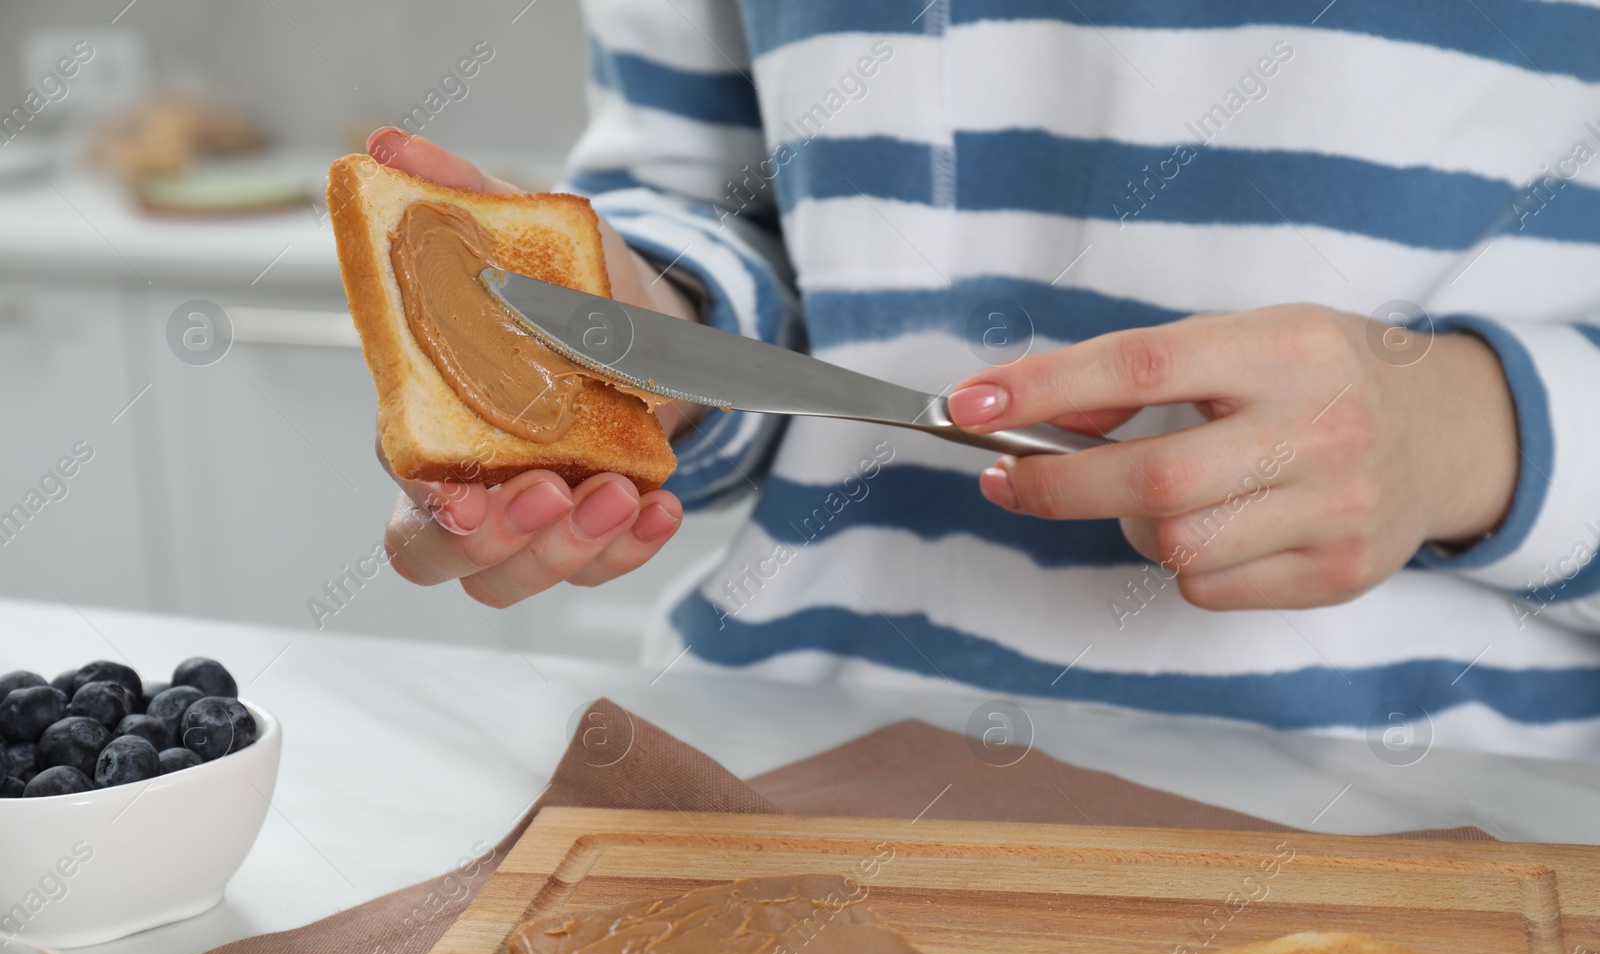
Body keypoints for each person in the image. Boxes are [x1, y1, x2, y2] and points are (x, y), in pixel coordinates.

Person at [367, 2, 1600, 759]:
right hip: (767, 760)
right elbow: (706, 193)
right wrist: (650, 349)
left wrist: (1467, 434)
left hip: (1429, 822)